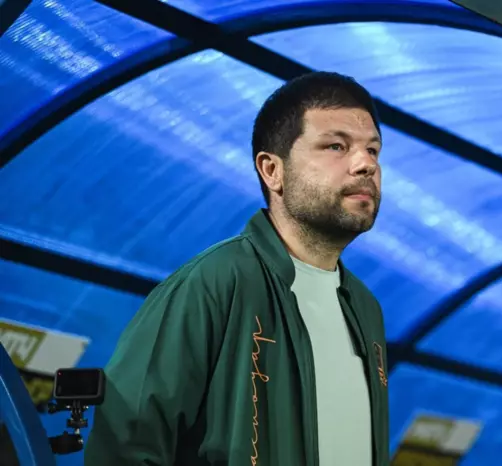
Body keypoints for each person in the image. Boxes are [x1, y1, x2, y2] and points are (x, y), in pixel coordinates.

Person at [85, 71, 389, 466]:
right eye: (336, 146)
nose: (366, 164)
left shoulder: (366, 308)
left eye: (373, 150)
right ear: (272, 170)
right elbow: (124, 449)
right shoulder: (214, 283)